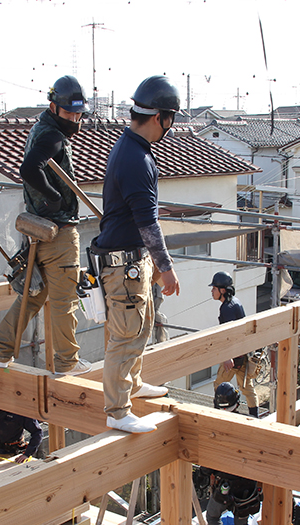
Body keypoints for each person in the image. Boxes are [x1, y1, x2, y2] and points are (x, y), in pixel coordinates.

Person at [93, 75, 182, 434]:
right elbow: (149, 223)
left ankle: (133, 381)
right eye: (170, 119)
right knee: (126, 334)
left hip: (131, 260)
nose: (170, 127)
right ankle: (117, 411)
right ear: (160, 117)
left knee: (141, 325)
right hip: (122, 263)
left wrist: (153, 265)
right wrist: (168, 268)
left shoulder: (131, 149)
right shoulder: (136, 159)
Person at [0, 75, 91, 376]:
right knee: (65, 300)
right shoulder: (53, 135)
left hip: (38, 231)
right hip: (58, 233)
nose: (75, 119)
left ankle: (1, 353)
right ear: (53, 107)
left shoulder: (41, 128)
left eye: (78, 113)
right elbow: (29, 168)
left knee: (33, 296)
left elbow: (31, 167)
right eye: (69, 113)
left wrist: (49, 199)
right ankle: (67, 364)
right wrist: (56, 197)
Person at [204, 383, 262, 525]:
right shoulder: (250, 424)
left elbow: (208, 461)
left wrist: (203, 472)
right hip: (245, 488)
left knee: (212, 518)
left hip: (223, 486)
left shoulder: (213, 427)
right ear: (237, 403)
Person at [210, 271, 260, 417]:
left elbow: (231, 335)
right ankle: (254, 417)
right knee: (247, 388)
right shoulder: (235, 302)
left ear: (222, 290)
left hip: (234, 356)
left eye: (214, 288)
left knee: (218, 385)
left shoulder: (227, 308)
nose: (212, 291)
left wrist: (227, 356)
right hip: (243, 353)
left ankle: (216, 414)